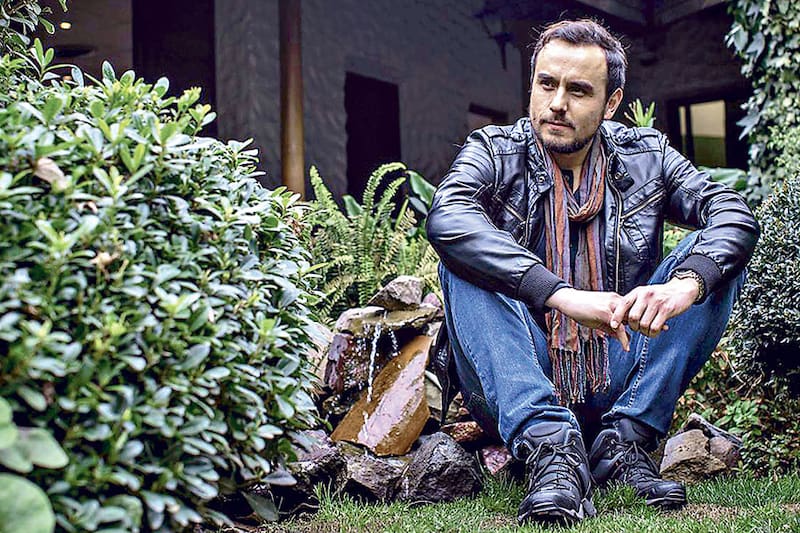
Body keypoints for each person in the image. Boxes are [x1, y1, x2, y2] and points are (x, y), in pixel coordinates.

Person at [426, 19, 759, 525]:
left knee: (713, 260)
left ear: (611, 103)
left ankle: (622, 447)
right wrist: (561, 295)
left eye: (578, 90)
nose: (557, 103)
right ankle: (550, 451)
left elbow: (732, 214)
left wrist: (685, 285)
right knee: (465, 257)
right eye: (546, 84)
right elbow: (448, 217)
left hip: (618, 364)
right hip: (517, 378)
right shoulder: (494, 151)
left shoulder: (647, 157)